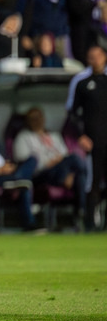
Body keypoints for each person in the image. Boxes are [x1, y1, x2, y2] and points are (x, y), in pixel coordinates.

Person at [71, 45, 107, 231]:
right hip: (93, 142)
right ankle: (90, 223)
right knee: (92, 183)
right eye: (91, 56)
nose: (96, 60)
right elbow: (73, 114)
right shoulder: (83, 84)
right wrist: (81, 135)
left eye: (98, 56)